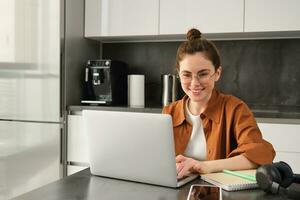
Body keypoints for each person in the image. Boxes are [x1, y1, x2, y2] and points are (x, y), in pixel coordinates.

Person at [162, 28, 275, 179]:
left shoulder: (235, 108)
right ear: (178, 74)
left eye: (203, 74)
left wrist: (203, 166)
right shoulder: (169, 112)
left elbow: (261, 153)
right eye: (187, 75)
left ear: (217, 73)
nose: (195, 83)